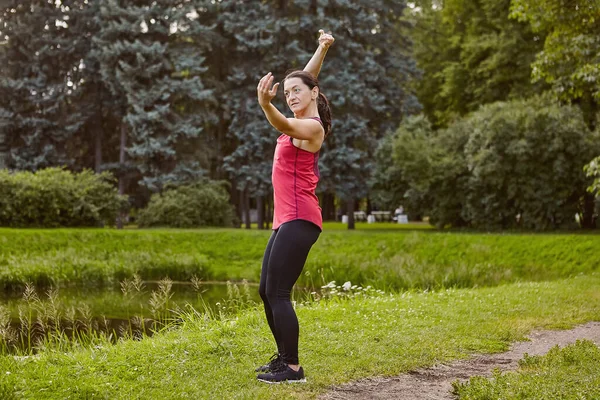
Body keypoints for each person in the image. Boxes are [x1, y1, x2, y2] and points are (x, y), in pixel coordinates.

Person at [254, 29, 334, 384]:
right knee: (265, 291)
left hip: (301, 218)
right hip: (286, 219)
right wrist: (321, 47)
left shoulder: (310, 128)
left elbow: (285, 120)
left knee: (278, 292)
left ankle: (293, 368)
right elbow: (305, 78)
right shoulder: (303, 113)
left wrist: (266, 104)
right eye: (285, 94)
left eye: (296, 91)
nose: (289, 96)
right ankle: (283, 359)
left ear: (314, 93)